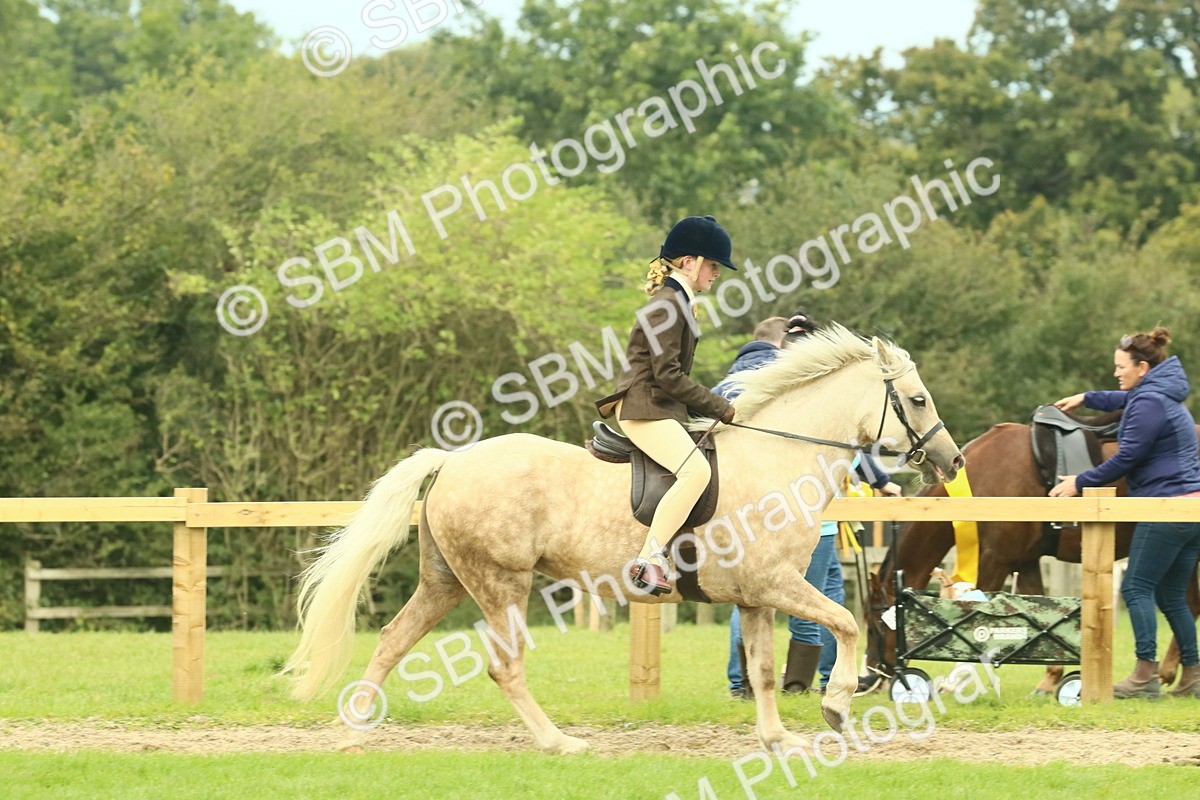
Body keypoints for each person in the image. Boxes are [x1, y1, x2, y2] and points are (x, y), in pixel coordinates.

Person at [720, 313, 902, 699]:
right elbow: (842, 441)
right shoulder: (780, 382)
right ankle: (793, 684)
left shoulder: (732, 378)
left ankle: (757, 684)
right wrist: (881, 481)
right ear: (785, 345)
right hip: (795, 515)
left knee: (764, 594)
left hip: (766, 511)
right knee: (807, 598)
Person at [1050, 327, 1200, 699]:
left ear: (1143, 367)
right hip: (1191, 507)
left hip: (1166, 508)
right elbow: (1124, 398)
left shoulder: (1149, 401)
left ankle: (1145, 674)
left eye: (1121, 366)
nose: (1116, 372)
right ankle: (1194, 675)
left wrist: (1079, 482)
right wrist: (1086, 397)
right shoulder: (1158, 392)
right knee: (1172, 596)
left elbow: (1128, 456)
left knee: (1136, 587)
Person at [596, 215, 737, 596]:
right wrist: (719, 406)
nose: (716, 273)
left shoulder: (679, 303)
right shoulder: (667, 305)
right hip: (644, 407)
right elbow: (668, 376)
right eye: (712, 265)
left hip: (661, 407)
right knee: (696, 472)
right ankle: (650, 559)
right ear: (688, 262)